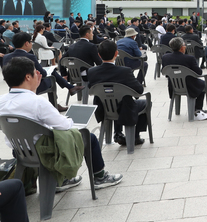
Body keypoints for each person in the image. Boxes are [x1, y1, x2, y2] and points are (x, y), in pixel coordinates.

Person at [0, 57, 123, 189]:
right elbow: (64, 125)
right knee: (89, 137)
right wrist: (69, 119)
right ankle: (100, 177)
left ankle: (62, 180)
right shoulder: (37, 102)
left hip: (20, 152)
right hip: (45, 152)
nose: (38, 74)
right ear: (28, 77)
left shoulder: (2, 100)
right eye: (35, 72)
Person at [87, 40, 147, 146]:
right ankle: (135, 136)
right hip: (125, 110)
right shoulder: (124, 71)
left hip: (103, 109)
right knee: (143, 103)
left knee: (113, 99)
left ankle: (118, 133)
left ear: (99, 55)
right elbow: (139, 90)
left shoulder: (92, 71)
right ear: (116, 53)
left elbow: (90, 88)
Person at [4, 32, 80, 112]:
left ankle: (69, 88)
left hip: (13, 86)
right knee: (52, 77)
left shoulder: (6, 57)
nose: (31, 44)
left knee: (51, 72)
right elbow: (43, 74)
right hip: (30, 86)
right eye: (31, 42)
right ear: (26, 43)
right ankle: (55, 104)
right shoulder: (30, 56)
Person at [162, 37, 207, 121]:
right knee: (202, 84)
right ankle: (197, 108)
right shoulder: (189, 58)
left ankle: (179, 110)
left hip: (173, 85)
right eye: (184, 45)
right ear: (181, 47)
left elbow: (164, 72)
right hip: (190, 86)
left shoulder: (165, 57)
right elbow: (199, 72)